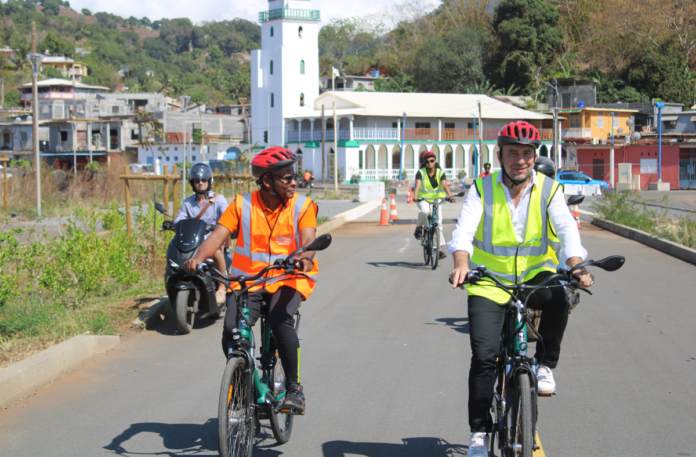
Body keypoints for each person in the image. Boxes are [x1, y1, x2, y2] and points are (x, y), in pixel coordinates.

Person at [447, 121, 595, 457]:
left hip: (533, 277)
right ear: (500, 155)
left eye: (527, 153)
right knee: (484, 358)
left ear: (534, 156)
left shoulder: (549, 189)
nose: (520, 160)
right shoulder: (482, 188)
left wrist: (575, 264)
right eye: (513, 152)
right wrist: (460, 262)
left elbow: (566, 229)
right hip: (488, 282)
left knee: (558, 294)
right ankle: (480, 434)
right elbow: (465, 230)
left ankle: (545, 365)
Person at [184, 147, 318, 415]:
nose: (294, 182)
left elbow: (309, 239)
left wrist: (304, 257)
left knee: (281, 319)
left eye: (294, 177)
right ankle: (243, 378)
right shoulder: (241, 204)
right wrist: (197, 257)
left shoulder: (302, 206)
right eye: (286, 177)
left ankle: (294, 389)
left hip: (287, 279)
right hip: (248, 281)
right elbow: (216, 238)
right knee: (232, 329)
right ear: (267, 181)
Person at [175, 163, 229, 304]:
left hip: (214, 240)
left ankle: (222, 287)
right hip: (195, 241)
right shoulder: (187, 203)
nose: (200, 183)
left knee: (216, 252)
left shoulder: (218, 199)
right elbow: (180, 218)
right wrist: (173, 224)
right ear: (192, 183)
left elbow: (227, 216)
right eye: (197, 181)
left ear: (209, 182)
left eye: (204, 180)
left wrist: (218, 225)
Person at [413, 151, 456, 259]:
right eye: (427, 161)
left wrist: (450, 196)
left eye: (432, 161)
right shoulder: (421, 172)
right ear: (425, 162)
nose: (430, 163)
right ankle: (418, 228)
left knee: (438, 223)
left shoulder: (440, 172)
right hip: (423, 199)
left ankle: (439, 250)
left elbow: (444, 185)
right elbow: (417, 185)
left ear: (435, 161)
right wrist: (415, 195)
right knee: (425, 211)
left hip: (437, 200)